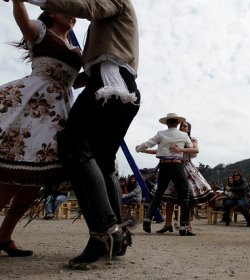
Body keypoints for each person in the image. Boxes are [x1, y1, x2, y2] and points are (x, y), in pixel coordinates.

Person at [24, 0, 140, 267]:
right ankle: (117, 232)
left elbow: (86, 7)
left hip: (110, 85)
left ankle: (105, 232)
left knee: (73, 145)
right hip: (119, 86)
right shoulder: (108, 22)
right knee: (103, 159)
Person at [0, 1, 82, 257]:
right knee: (13, 176)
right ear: (50, 13)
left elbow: (73, 80)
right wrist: (17, 0)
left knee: (34, 180)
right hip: (31, 103)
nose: (72, 15)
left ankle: (4, 236)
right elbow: (22, 21)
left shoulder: (77, 48)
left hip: (58, 111)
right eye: (65, 8)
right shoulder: (40, 31)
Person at [136, 113, 195, 236]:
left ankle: (147, 219)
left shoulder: (161, 134)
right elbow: (192, 151)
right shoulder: (184, 135)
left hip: (164, 165)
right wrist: (180, 149)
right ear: (177, 123)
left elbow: (149, 143)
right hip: (177, 165)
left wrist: (139, 148)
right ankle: (183, 226)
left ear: (167, 123)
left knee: (159, 193)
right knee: (184, 193)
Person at [155, 121, 213, 234]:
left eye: (185, 126)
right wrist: (144, 150)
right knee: (169, 198)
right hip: (173, 167)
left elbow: (196, 150)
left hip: (185, 168)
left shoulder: (192, 139)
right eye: (181, 125)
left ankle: (187, 225)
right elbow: (161, 150)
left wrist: (180, 150)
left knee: (188, 197)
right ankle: (167, 224)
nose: (182, 127)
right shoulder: (173, 139)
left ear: (188, 129)